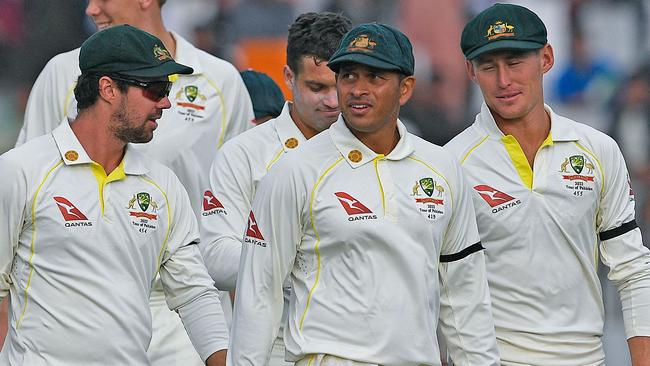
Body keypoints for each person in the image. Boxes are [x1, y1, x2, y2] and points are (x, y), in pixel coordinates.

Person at [228, 22, 500, 366]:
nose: (358, 89)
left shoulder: (442, 168)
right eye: (349, 76)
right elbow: (258, 294)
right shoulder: (294, 171)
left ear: (406, 88)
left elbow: (464, 296)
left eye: (375, 77)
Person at [10, 1, 255, 364]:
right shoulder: (22, 168)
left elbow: (196, 287)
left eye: (168, 88)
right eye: (155, 89)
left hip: (171, 310)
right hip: (54, 319)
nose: (166, 103)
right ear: (107, 89)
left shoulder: (165, 182)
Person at [445, 4, 650, 365]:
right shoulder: (450, 164)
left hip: (586, 358)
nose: (503, 80)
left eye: (515, 61)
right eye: (488, 66)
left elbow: (632, 269)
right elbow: (441, 288)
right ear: (470, 72)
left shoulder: (599, 149)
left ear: (546, 58)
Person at [200, 12, 351, 365]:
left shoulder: (379, 148)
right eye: (317, 87)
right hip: (275, 344)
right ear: (288, 77)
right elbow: (216, 258)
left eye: (338, 85)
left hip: (359, 342)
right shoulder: (244, 155)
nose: (331, 101)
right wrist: (302, 258)